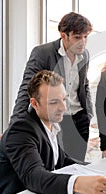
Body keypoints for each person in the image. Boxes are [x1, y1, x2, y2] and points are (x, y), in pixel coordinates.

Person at [0, 70, 106, 194]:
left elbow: (61, 160)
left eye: (63, 99)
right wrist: (78, 183)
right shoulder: (21, 130)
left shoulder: (50, 122)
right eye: (53, 102)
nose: (63, 108)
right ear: (35, 103)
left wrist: (97, 171)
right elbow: (34, 176)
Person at [10, 12, 93, 161]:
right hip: (56, 119)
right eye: (77, 37)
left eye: (85, 37)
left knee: (77, 165)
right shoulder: (43, 53)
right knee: (54, 166)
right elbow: (27, 89)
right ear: (64, 35)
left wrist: (89, 114)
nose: (82, 42)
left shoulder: (84, 55)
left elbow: (84, 85)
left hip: (80, 119)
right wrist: (15, 125)